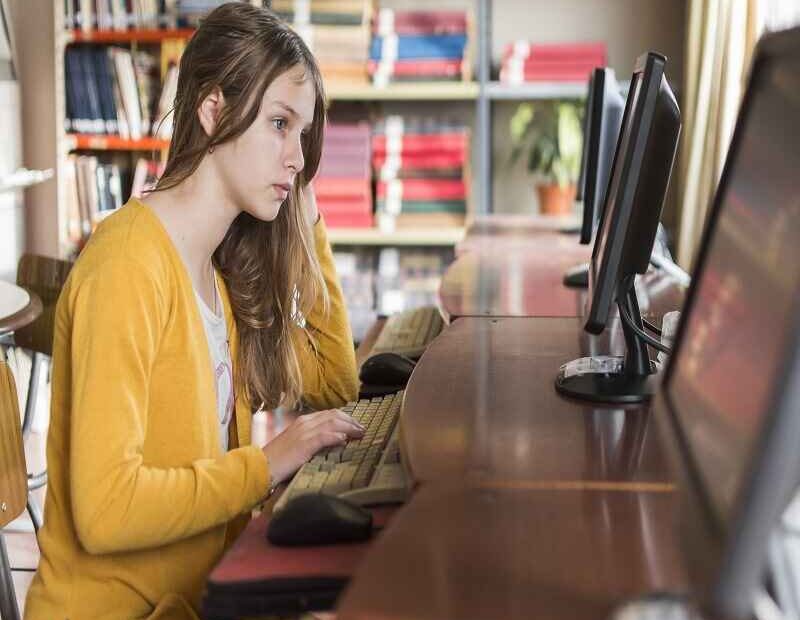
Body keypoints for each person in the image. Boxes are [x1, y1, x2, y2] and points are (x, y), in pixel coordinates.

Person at [25, 4, 363, 618]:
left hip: (194, 599)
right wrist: (262, 467)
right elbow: (106, 510)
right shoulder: (128, 265)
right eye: (280, 124)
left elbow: (335, 383)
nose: (296, 155)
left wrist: (305, 213)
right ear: (213, 111)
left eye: (305, 134)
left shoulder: (216, 272)